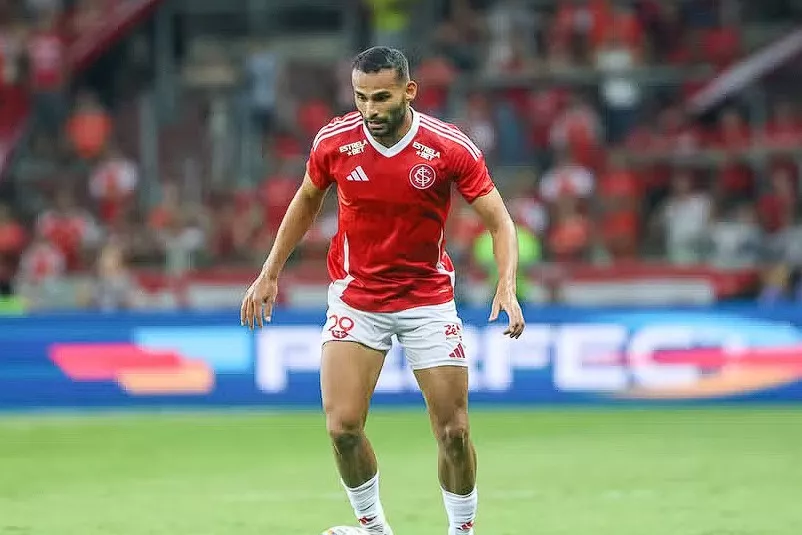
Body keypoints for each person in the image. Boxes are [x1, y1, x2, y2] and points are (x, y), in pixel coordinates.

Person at [241, 46, 524, 535]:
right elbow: (307, 199)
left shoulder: (447, 146)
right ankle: (374, 530)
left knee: (454, 432)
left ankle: (462, 532)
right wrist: (270, 271)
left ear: (408, 91)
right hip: (358, 298)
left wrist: (508, 283)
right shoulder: (335, 141)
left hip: (427, 299)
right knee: (342, 428)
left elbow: (499, 219)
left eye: (381, 97)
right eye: (361, 98)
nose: (370, 110)